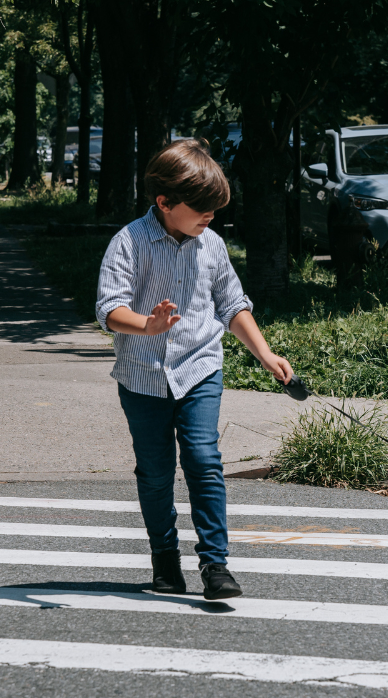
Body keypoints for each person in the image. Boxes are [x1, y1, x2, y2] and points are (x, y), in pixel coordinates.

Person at [96, 138, 293, 600]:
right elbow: (109, 309)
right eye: (201, 208)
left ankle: (215, 565)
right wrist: (148, 324)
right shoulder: (129, 242)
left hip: (200, 367)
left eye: (214, 209)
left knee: (204, 460)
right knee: (156, 472)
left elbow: (232, 304)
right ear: (165, 202)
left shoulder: (212, 245)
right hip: (143, 376)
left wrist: (264, 353)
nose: (210, 218)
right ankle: (165, 556)